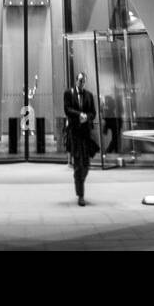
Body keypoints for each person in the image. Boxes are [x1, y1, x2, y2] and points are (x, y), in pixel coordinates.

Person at [63, 71, 97, 205]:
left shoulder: (89, 95)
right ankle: (81, 195)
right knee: (78, 164)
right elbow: (67, 109)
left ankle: (79, 180)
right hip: (75, 133)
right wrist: (80, 115)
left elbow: (93, 113)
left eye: (83, 81)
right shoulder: (68, 93)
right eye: (79, 80)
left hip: (86, 133)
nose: (81, 82)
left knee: (87, 165)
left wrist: (86, 117)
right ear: (76, 80)